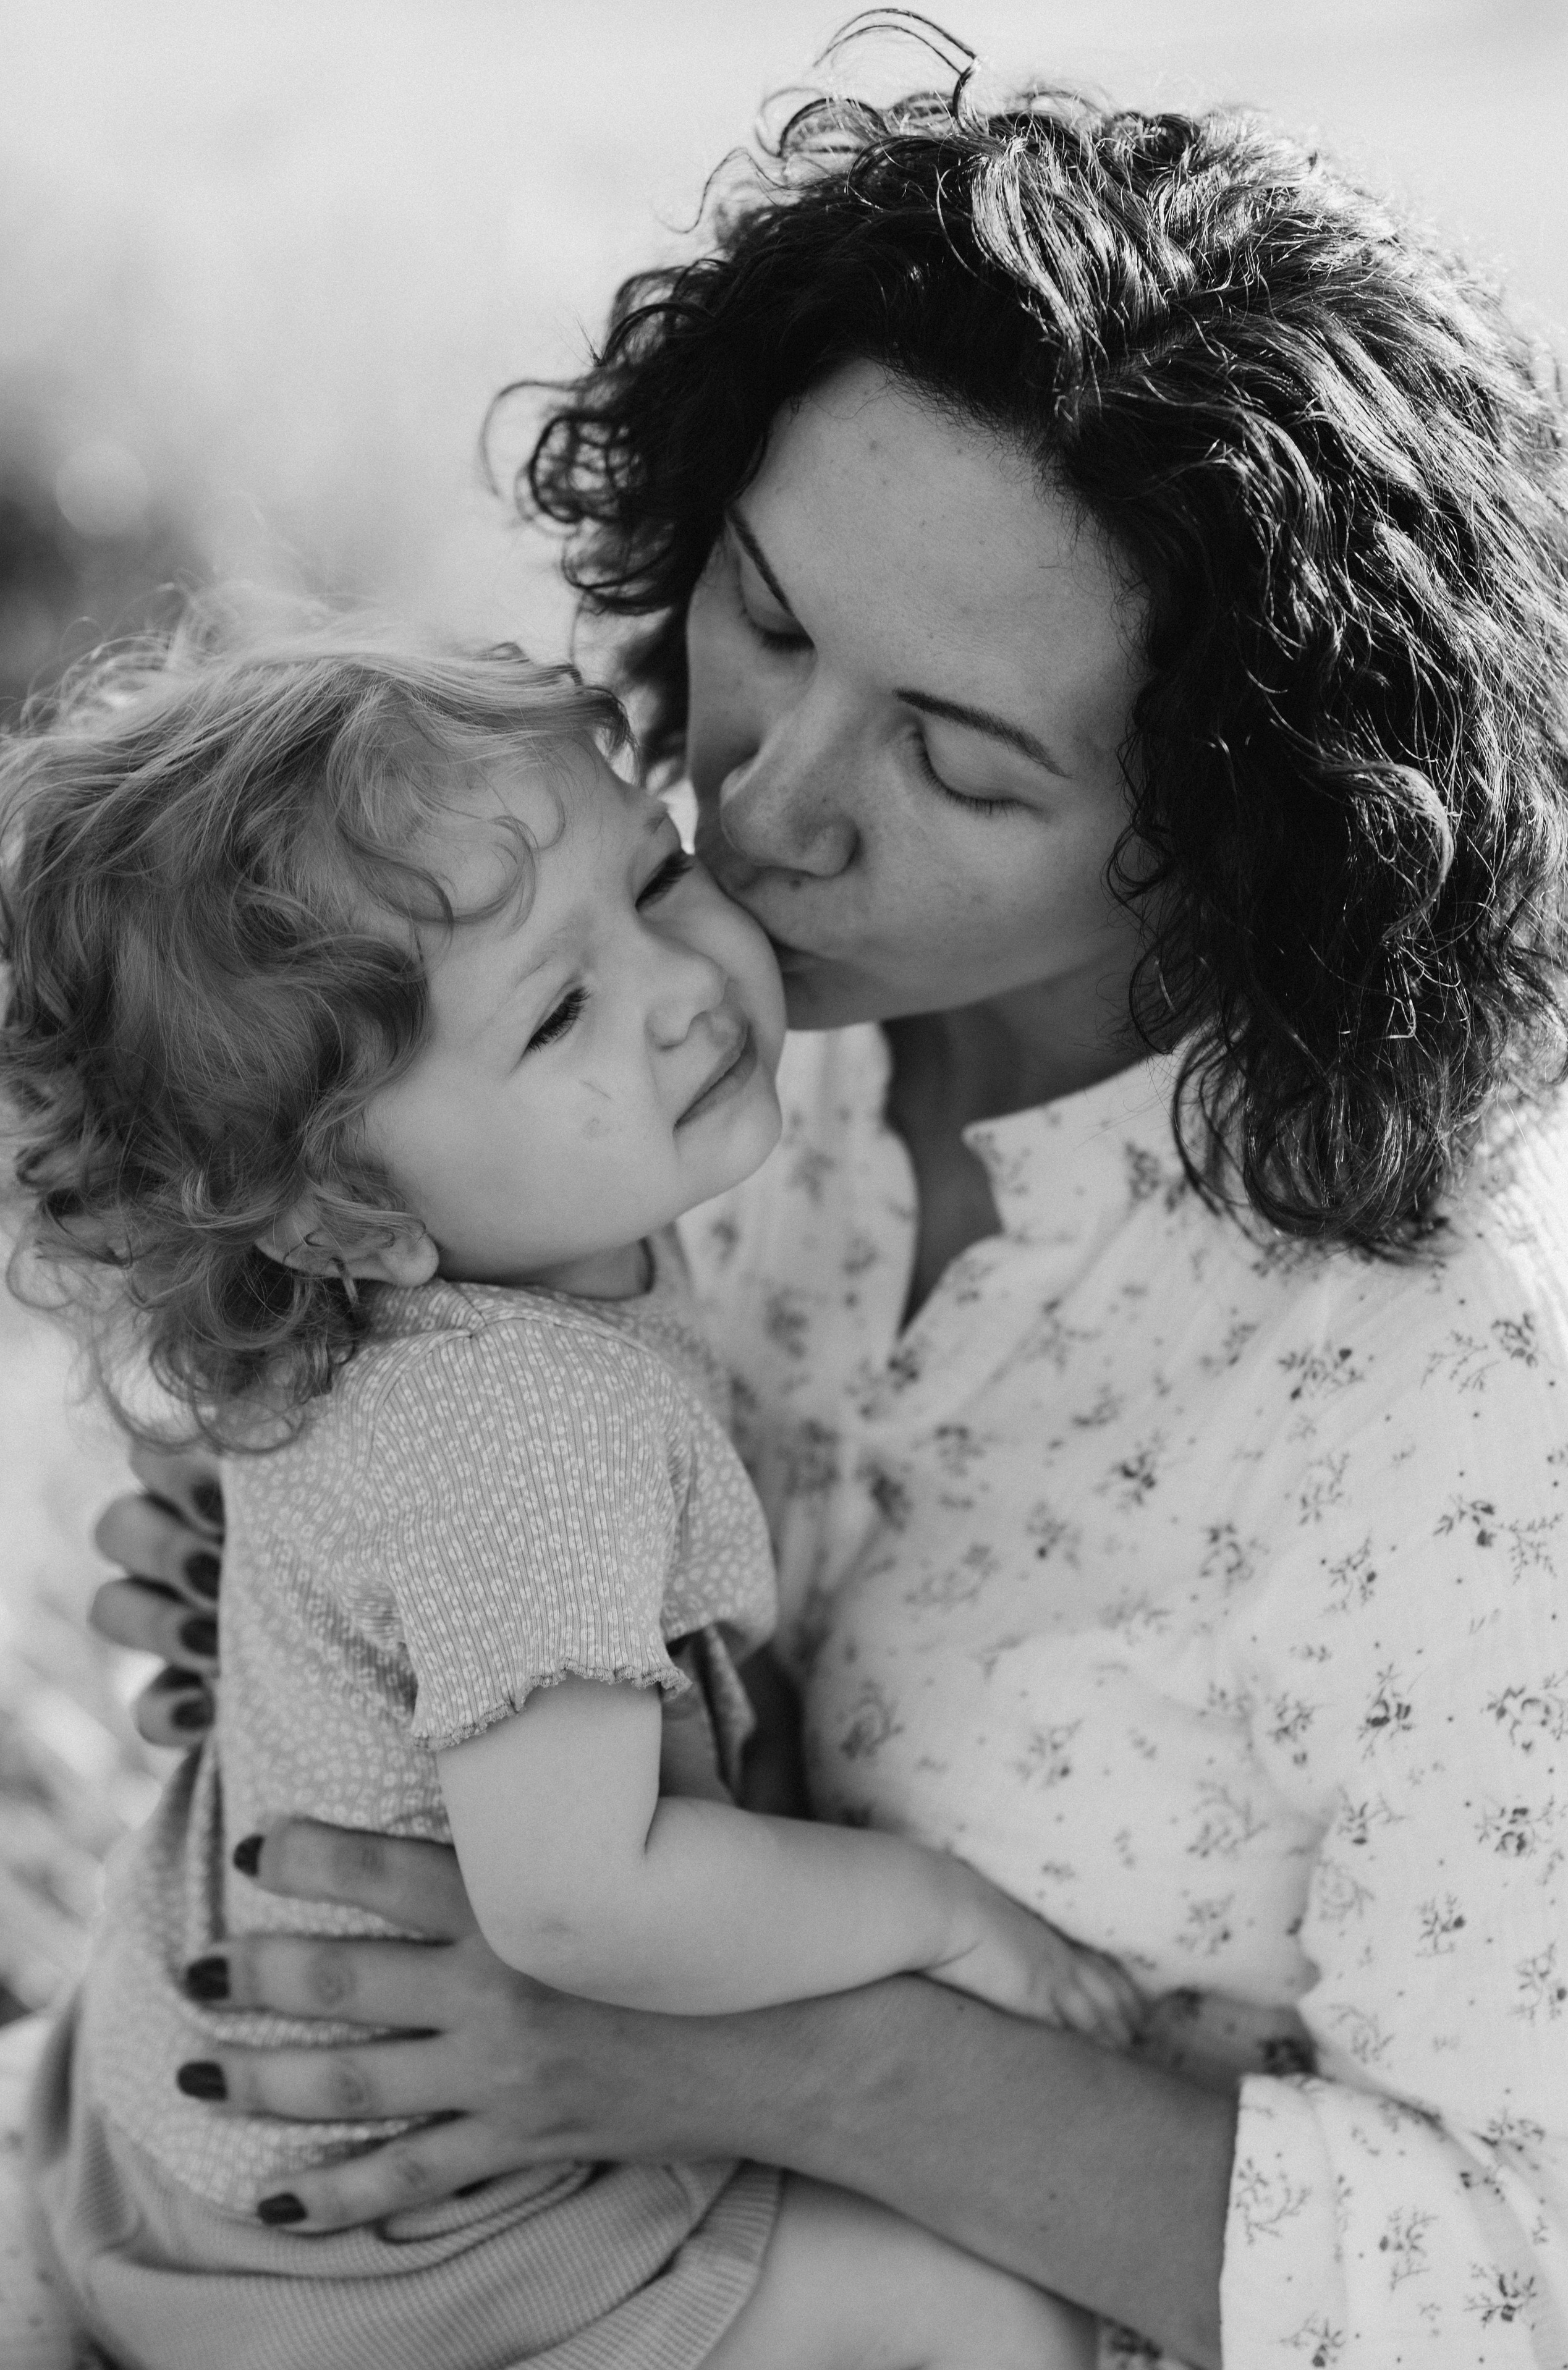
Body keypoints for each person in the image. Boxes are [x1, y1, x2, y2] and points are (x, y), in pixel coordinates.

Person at [77, 56, 1568, 2370]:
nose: (758, 806)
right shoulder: (652, 1029)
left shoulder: (1463, 1383)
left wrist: (781, 2058)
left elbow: (1523, 2271)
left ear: (1236, 836)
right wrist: (314, 1596)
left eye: (958, 760)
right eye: (761, 618)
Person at [0, 621, 1139, 2369]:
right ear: (350, 1210)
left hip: (164, 2120)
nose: (681, 981)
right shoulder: (530, 1417)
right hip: (384, 2244)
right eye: (558, 1009)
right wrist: (942, 1914)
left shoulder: (414, 1301)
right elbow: (586, 1898)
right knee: (990, 2317)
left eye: (654, 872)